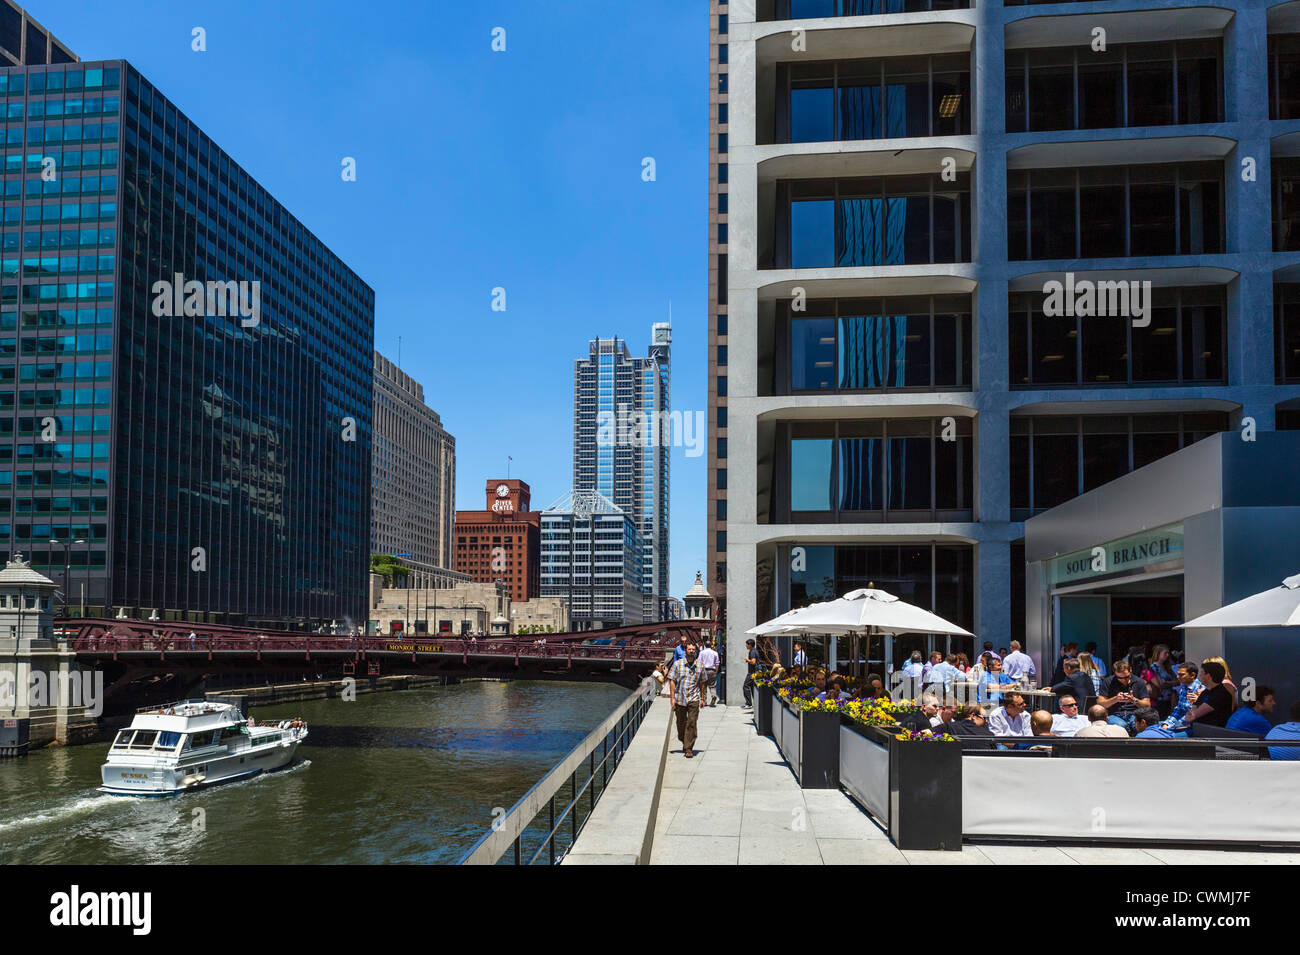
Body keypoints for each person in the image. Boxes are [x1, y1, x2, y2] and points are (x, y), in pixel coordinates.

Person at [667, 644, 706, 758]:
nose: (691, 651)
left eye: (693, 649)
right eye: (689, 649)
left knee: (692, 722)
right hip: (680, 698)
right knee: (681, 723)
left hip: (694, 698)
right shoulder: (677, 664)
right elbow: (672, 681)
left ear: (695, 651)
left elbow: (703, 682)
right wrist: (672, 698)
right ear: (686, 651)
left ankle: (688, 748)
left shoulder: (700, 665)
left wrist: (702, 698)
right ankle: (684, 740)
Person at [1098, 660, 1151, 733]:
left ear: (1130, 670)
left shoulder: (1139, 682)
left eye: (1126, 677)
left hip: (1134, 714)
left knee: (1140, 725)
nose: (1124, 680)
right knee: (1121, 726)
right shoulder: (1108, 682)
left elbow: (1147, 705)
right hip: (1115, 714)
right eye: (1120, 678)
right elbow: (1100, 704)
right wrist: (1116, 699)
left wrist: (1134, 700)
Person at [1184, 660, 1233, 728]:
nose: (1200, 675)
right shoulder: (1206, 692)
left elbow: (1191, 716)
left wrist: (1193, 713)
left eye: (1202, 672)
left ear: (1208, 676)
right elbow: (1190, 714)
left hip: (1211, 734)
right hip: (1197, 729)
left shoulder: (1220, 694)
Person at [1160, 662, 1204, 733]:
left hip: (1192, 728)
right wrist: (1167, 723)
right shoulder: (1183, 688)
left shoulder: (1200, 690)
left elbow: (1191, 715)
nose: (1178, 677)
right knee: (1155, 727)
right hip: (1180, 725)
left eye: (1182, 674)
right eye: (1178, 674)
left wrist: (1171, 726)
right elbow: (1179, 710)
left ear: (1192, 675)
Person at [1144, 644, 1178, 717]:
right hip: (1159, 699)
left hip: (1169, 699)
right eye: (1165, 653)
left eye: (1168, 653)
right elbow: (1161, 684)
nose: (1167, 655)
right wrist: (1171, 683)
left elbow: (1178, 681)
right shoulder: (1154, 667)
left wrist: (1167, 682)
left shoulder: (1168, 666)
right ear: (1158, 654)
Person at [697, 638, 721, 707]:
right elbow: (717, 663)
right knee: (712, 685)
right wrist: (715, 671)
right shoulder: (715, 653)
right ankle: (713, 695)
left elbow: (699, 662)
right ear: (711, 645)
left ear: (705, 645)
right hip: (712, 670)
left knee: (703, 686)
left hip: (704, 670)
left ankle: (704, 701)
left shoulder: (702, 653)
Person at [742, 638, 759, 708]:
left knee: (745, 686)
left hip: (752, 673)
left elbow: (753, 662)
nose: (746, 645)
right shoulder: (753, 651)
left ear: (750, 645)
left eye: (747, 644)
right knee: (752, 687)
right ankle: (754, 703)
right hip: (753, 672)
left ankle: (749, 703)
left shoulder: (752, 652)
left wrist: (747, 659)